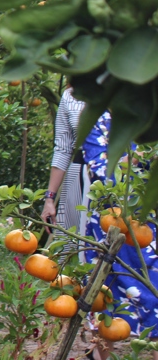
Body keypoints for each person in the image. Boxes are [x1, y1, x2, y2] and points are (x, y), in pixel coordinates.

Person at [82, 111, 158, 360]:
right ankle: (98, 355)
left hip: (146, 224)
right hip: (110, 224)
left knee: (154, 293)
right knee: (106, 300)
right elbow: (102, 171)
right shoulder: (96, 119)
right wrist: (141, 157)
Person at [40, 85, 86, 257]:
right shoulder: (71, 95)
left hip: (118, 174)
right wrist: (49, 199)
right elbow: (63, 149)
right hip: (79, 174)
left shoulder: (129, 87)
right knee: (72, 245)